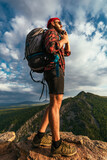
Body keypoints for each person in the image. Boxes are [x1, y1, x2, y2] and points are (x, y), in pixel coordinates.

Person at [33, 17, 77, 157]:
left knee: (53, 104)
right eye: (59, 22)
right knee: (56, 104)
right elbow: (51, 48)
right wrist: (63, 40)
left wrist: (66, 40)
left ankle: (39, 137)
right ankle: (56, 145)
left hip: (54, 70)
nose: (61, 24)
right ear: (52, 23)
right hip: (55, 69)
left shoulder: (57, 35)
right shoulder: (51, 32)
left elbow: (67, 53)